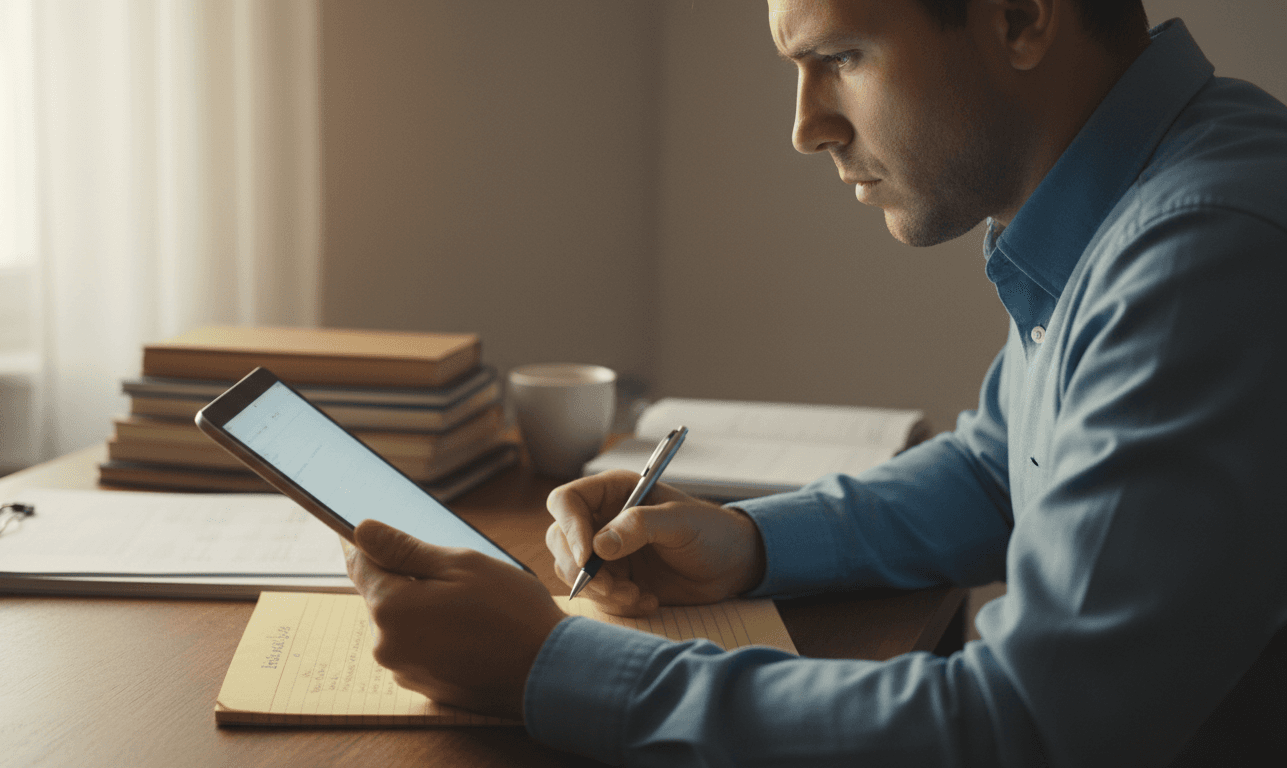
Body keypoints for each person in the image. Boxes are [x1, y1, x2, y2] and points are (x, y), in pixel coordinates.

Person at [342, 0, 1287, 763]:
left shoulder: (1206, 252)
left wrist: (547, 662)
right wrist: (748, 542)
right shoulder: (1126, 196)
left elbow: (1032, 726)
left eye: (841, 55)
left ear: (1021, 18)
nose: (806, 127)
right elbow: (1003, 468)